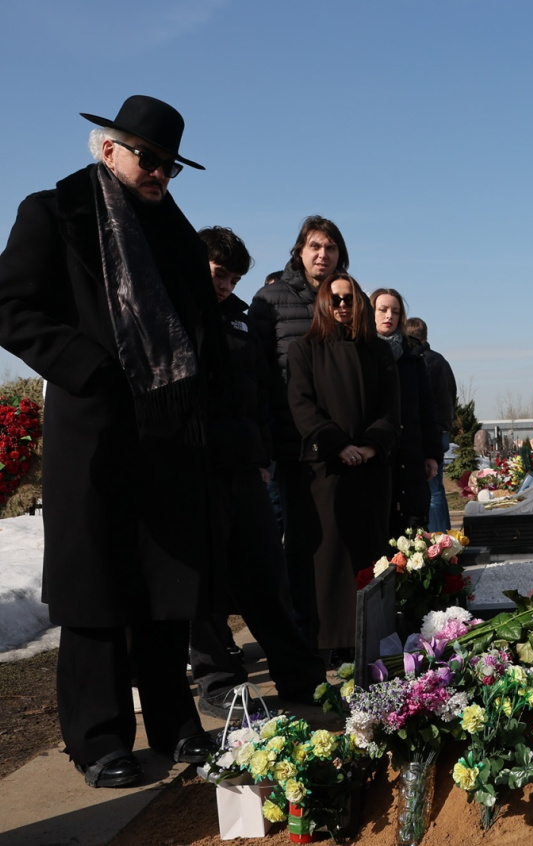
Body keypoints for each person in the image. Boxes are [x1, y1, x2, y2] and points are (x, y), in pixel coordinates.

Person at [0, 95, 222, 787]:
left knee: (165, 588)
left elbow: (204, 332)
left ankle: (175, 723)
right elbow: (9, 306)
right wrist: (86, 366)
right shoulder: (54, 212)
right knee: (95, 589)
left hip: (168, 433)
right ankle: (97, 738)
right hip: (94, 431)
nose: (159, 173)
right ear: (108, 149)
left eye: (170, 165)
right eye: (148, 158)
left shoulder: (176, 235)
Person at [189, 227, 324, 718]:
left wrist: (263, 457)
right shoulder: (177, 316)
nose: (225, 285)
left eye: (233, 278)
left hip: (246, 467)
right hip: (197, 468)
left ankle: (301, 677)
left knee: (268, 576)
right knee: (206, 586)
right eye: (218, 274)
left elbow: (262, 395)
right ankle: (219, 682)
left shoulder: (242, 323)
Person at [288, 273, 400, 657]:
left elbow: (391, 409)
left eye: (348, 299)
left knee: (371, 556)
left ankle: (372, 640)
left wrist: (369, 447)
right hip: (327, 470)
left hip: (371, 470)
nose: (341, 306)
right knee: (330, 562)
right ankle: (331, 645)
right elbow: (302, 405)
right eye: (334, 299)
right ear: (323, 302)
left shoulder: (379, 351)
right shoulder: (304, 350)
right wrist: (339, 446)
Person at [248, 216, 348, 643]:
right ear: (300, 251)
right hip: (291, 440)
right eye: (315, 247)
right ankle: (301, 630)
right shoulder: (270, 300)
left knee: (337, 538)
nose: (323, 255)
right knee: (298, 540)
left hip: (340, 442)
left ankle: (338, 629)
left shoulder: (348, 297)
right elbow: (256, 373)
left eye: (331, 248)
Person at [371, 290, 440, 534]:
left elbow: (426, 408)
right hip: (375, 452)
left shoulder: (412, 355)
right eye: (382, 310)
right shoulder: (360, 351)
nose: (389, 316)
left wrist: (432, 454)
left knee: (412, 526)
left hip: (410, 451)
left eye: (395, 311)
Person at [405, 317, 457, 532]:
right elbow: (452, 393)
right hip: (442, 429)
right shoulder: (441, 360)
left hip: (429, 430)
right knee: (438, 488)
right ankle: (444, 533)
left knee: (431, 489)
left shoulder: (420, 360)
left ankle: (436, 536)